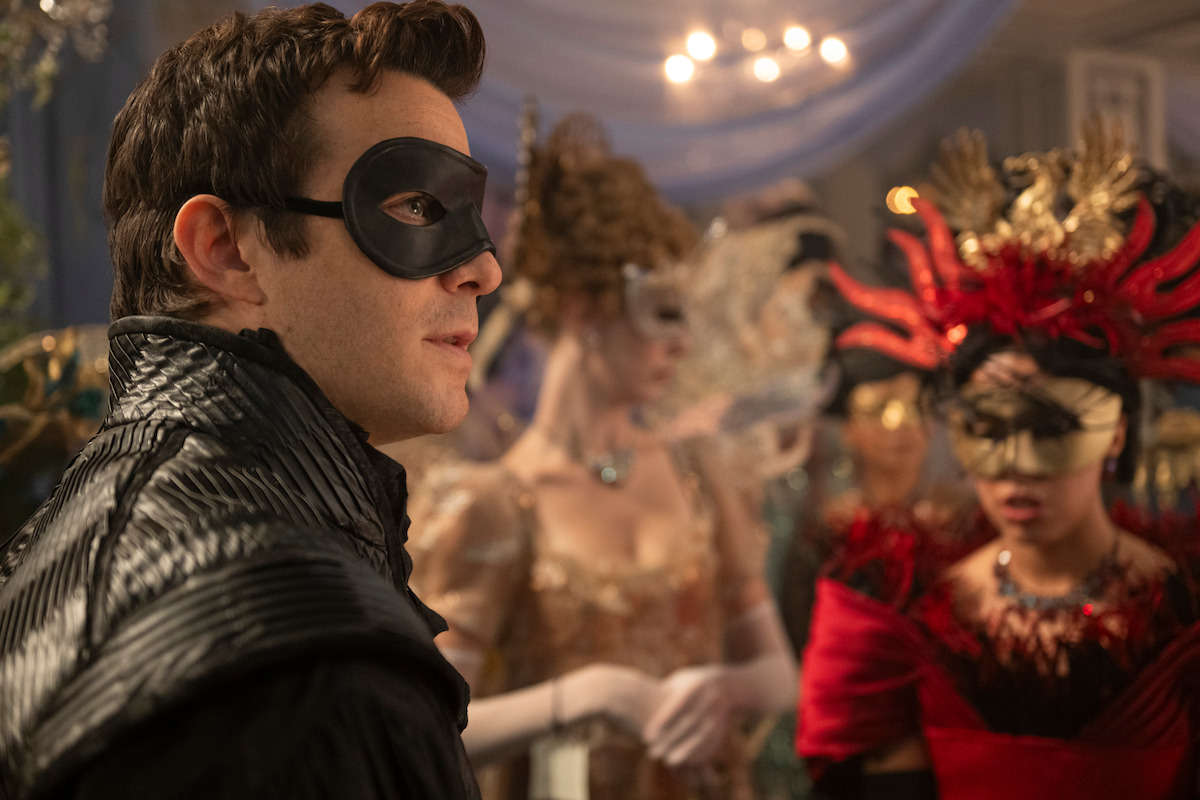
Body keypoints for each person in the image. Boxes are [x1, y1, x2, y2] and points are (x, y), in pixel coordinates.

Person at [0, 3, 502, 799]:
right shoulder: (294, 658)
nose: (484, 271)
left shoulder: (81, 536)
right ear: (227, 250)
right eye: (417, 207)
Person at [797, 124, 1200, 799]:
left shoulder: (1183, 615)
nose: (1015, 466)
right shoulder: (903, 617)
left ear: (1117, 432)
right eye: (984, 428)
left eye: (1051, 426)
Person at [406, 111, 797, 800]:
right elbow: (430, 725)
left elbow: (779, 677)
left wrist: (724, 686)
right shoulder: (495, 504)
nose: (681, 343)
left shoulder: (697, 469)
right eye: (662, 312)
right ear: (586, 307)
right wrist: (582, 696)